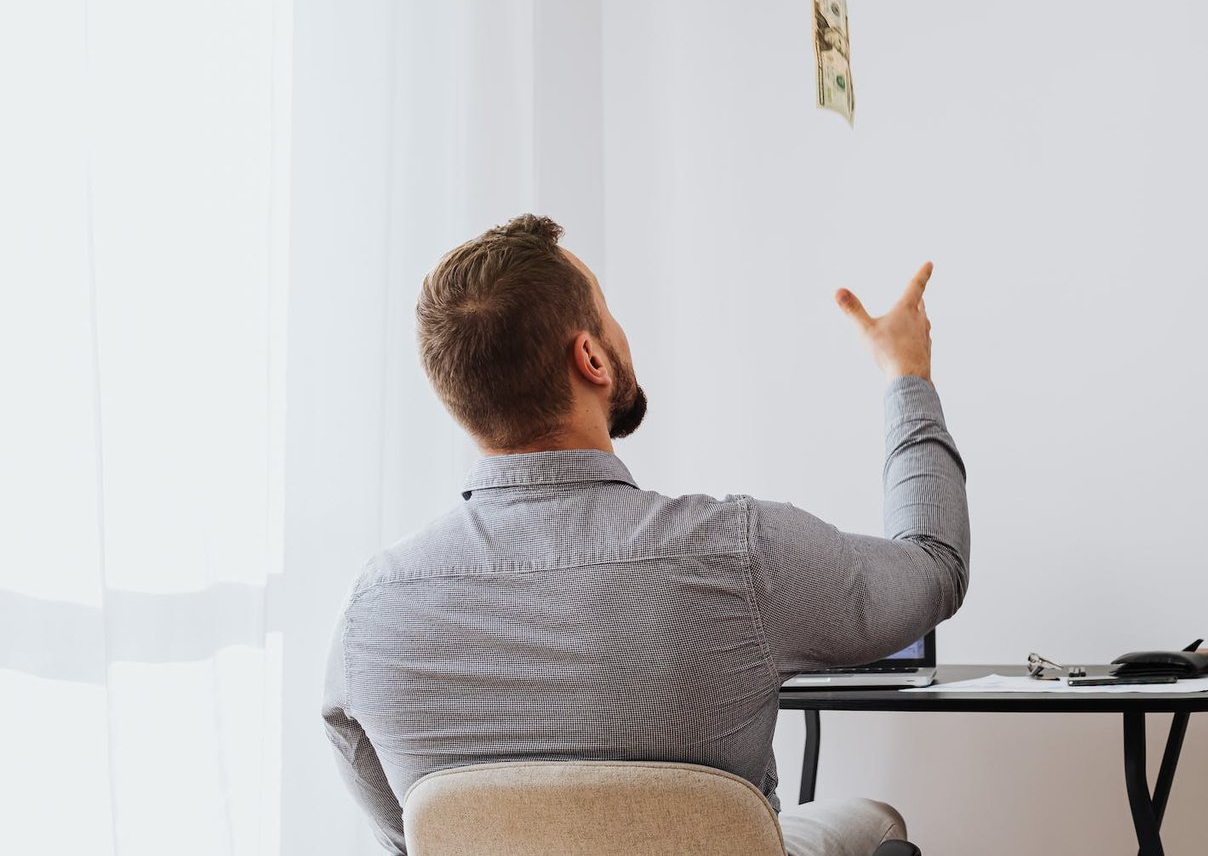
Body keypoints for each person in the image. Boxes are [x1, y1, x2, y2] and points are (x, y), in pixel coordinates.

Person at [322, 214, 969, 856]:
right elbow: (935, 567)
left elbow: (412, 839)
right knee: (874, 817)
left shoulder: (372, 614)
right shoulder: (742, 553)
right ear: (592, 358)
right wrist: (905, 374)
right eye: (607, 314)